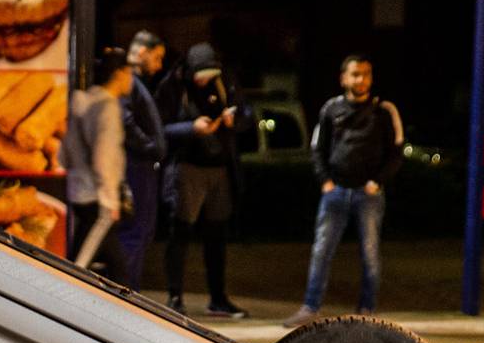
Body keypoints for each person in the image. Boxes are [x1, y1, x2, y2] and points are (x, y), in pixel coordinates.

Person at [283, 54, 404, 327]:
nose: (361, 80)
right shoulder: (331, 109)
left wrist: (377, 182)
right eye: (355, 74)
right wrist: (325, 181)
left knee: (370, 253)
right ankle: (309, 308)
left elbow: (396, 153)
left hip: (368, 194)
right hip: (335, 192)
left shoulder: (384, 111)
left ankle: (366, 311)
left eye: (366, 74)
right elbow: (317, 148)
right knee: (321, 251)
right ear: (344, 78)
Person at [158, 42, 253, 318]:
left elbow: (247, 113)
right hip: (188, 167)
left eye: (211, 74)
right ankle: (175, 296)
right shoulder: (172, 84)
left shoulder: (225, 80)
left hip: (220, 168)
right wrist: (191, 127)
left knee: (217, 234)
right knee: (181, 232)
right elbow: (159, 126)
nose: (207, 80)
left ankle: (218, 298)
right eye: (202, 75)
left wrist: (235, 120)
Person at [60, 48, 132, 284]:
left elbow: (64, 152)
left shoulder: (84, 102)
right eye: (129, 74)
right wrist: (111, 198)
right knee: (77, 268)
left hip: (80, 191)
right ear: (120, 74)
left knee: (117, 263)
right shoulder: (108, 108)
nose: (131, 80)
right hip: (98, 197)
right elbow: (104, 156)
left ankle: (126, 310)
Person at [116, 30, 167, 290]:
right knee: (135, 233)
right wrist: (149, 146)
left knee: (142, 233)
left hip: (142, 166)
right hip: (137, 167)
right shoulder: (129, 81)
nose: (159, 66)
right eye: (157, 58)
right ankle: (127, 294)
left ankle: (130, 290)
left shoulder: (136, 83)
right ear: (142, 52)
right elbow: (124, 120)